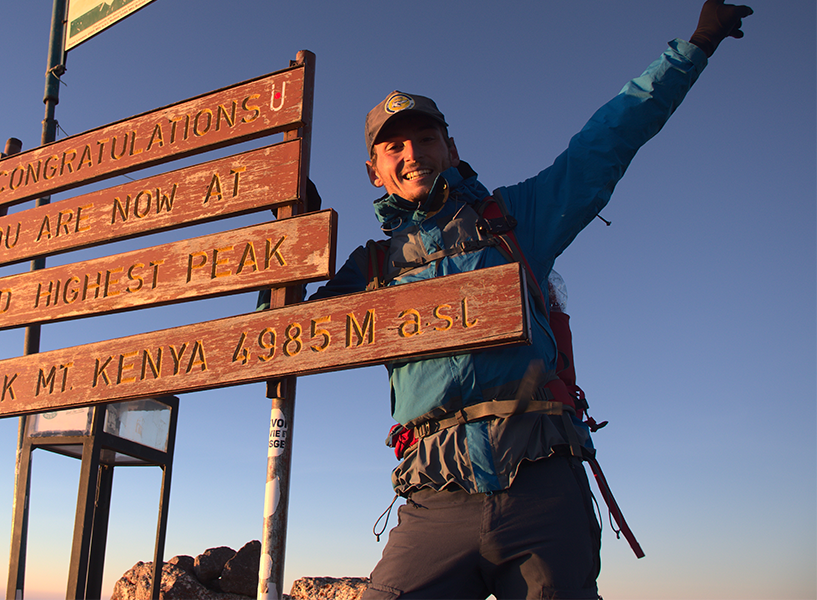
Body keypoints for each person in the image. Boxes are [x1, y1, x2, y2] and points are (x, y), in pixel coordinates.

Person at [302, 2, 753, 599]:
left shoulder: (518, 220)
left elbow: (608, 139)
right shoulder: (373, 266)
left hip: (543, 489)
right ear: (374, 172)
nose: (412, 152)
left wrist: (693, 47)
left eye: (425, 137)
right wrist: (288, 250)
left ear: (451, 146)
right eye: (395, 147)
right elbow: (280, 340)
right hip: (434, 500)